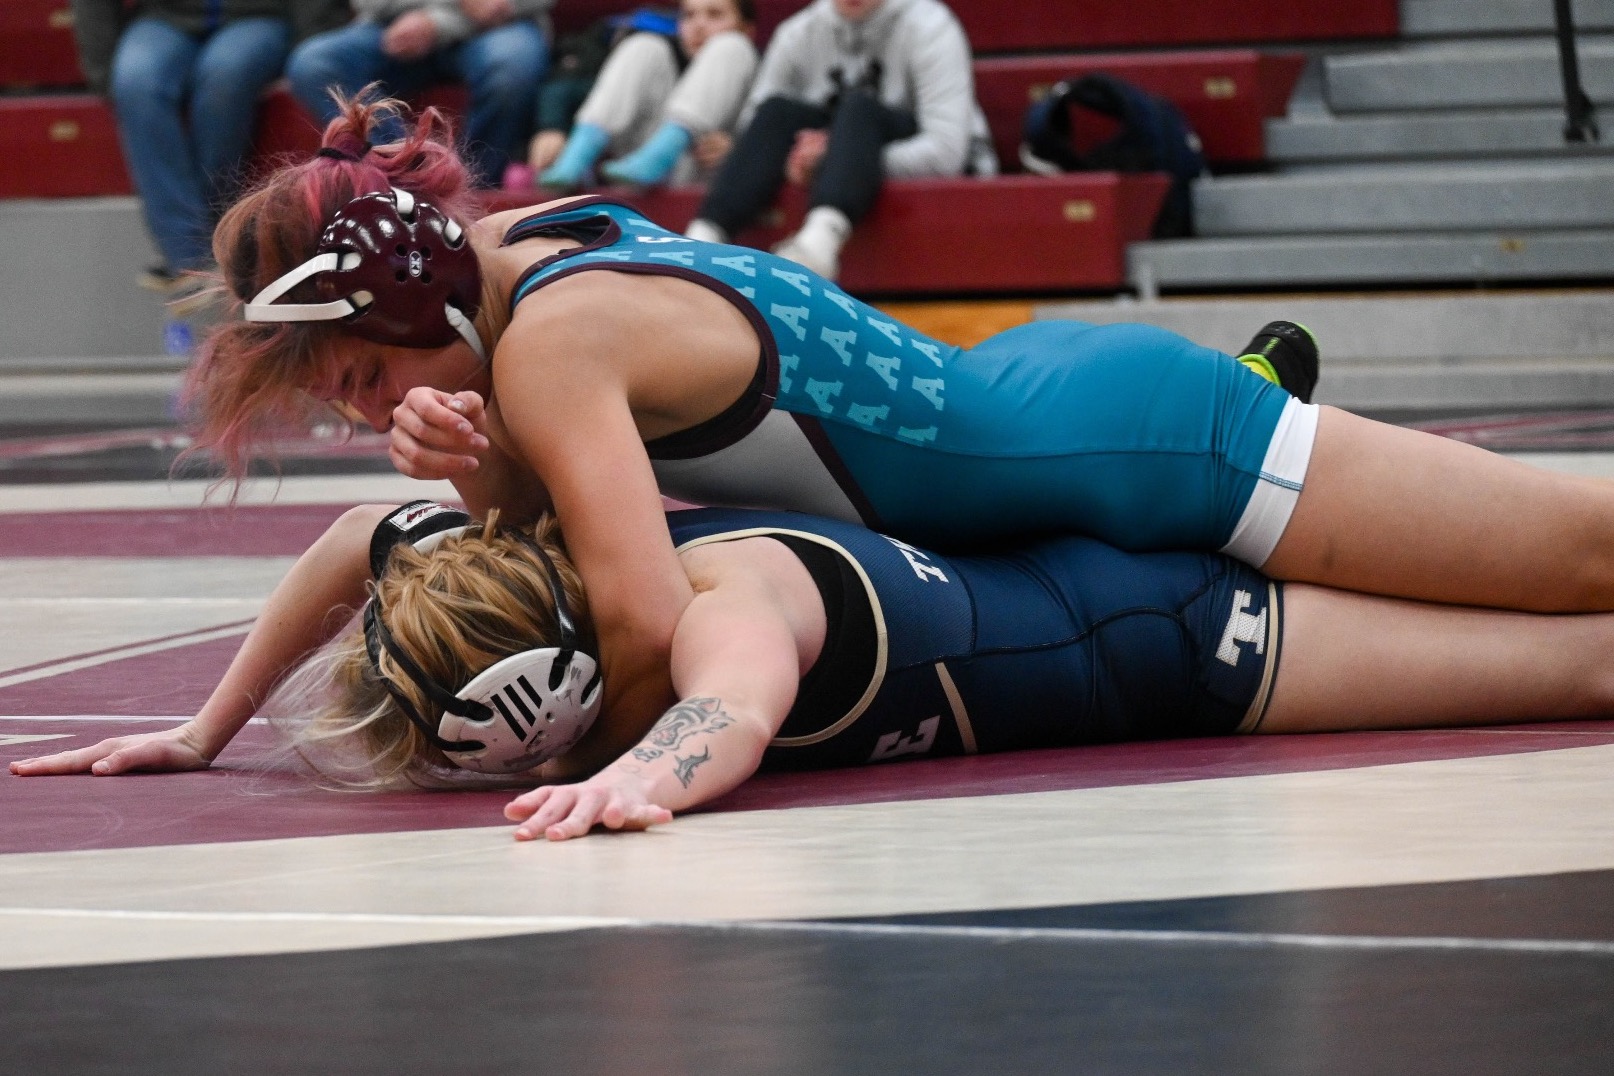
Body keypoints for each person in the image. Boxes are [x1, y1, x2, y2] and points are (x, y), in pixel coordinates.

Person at [185, 94, 1614, 762]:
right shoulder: (518, 265)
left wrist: (598, 768)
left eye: (352, 380)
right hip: (1053, 476)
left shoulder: (554, 342)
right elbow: (560, 546)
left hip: (1139, 445)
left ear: (403, 291)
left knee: (1584, 560)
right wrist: (206, 734)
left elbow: (624, 619)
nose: (356, 413)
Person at [15, 500, 1614, 847]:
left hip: (1189, 645)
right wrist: (205, 723)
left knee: (1583, 663)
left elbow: (735, 707)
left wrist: (643, 774)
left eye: (477, 757)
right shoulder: (563, 547)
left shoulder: (727, 597)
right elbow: (359, 537)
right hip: (1091, 571)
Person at [682, 0, 997, 280]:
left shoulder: (930, 25)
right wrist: (802, 158)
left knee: (859, 109)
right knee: (776, 111)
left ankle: (815, 248)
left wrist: (833, 160)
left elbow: (946, 154)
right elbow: (755, 136)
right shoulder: (797, 32)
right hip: (835, 163)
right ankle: (703, 238)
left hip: (921, 168)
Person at [69, 0, 347, 298]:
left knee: (225, 76)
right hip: (166, 17)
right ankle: (189, 258)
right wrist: (102, 69)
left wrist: (313, 39)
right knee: (134, 81)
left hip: (260, 14)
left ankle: (216, 241)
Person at [284, 0, 552, 186]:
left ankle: (472, 188)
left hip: (499, 25)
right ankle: (412, 169)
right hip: (398, 22)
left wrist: (438, 23)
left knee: (510, 69)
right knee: (314, 63)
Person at [519, 0, 758, 191]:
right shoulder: (667, 60)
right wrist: (551, 126)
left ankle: (657, 157)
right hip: (644, 180)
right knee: (645, 45)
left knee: (729, 47)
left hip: (714, 184)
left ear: (748, 29)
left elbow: (781, 132)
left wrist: (740, 149)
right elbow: (569, 82)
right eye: (689, 15)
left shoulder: (753, 63)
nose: (698, 25)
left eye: (714, 15)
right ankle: (576, 158)